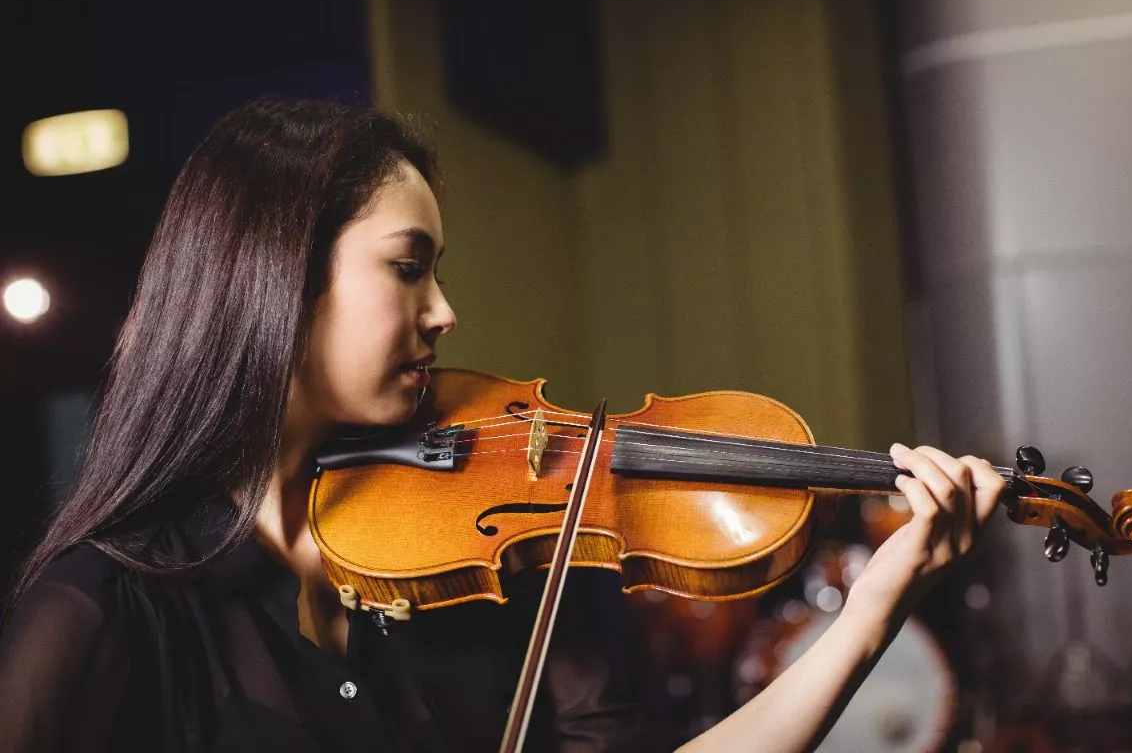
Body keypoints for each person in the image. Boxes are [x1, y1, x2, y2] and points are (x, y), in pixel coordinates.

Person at [0, 98, 1006, 753]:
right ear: (280, 273)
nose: (445, 312)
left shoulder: (479, 569)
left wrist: (874, 605)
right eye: (408, 265)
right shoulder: (107, 605)